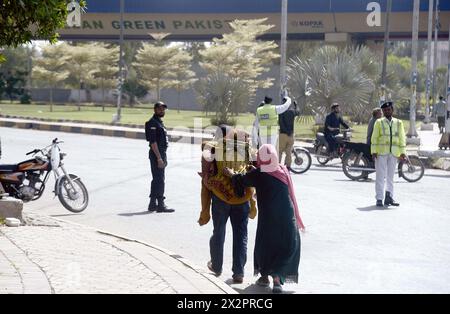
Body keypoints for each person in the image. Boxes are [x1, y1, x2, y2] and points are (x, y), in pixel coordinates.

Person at [224, 144, 305, 294]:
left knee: (266, 244)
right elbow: (265, 176)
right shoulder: (282, 170)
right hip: (288, 216)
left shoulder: (260, 174)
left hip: (269, 218)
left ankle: (265, 276)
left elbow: (242, 180)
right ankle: (277, 281)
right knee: (287, 244)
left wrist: (230, 174)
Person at [198, 126, 257, 284]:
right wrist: (253, 204)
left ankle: (216, 266)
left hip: (221, 197)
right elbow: (253, 173)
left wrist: (204, 210)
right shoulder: (247, 149)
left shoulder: (213, 149)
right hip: (242, 197)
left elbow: (205, 179)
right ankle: (238, 272)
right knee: (241, 236)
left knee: (219, 232)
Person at [371, 101, 406, 207]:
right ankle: (379, 199)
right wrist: (374, 151)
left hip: (394, 153)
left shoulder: (398, 123)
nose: (387, 111)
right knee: (380, 176)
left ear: (392, 110)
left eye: (389, 109)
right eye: (385, 110)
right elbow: (374, 137)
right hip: (381, 153)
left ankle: (389, 197)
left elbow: (402, 138)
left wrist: (403, 152)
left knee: (390, 177)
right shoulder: (379, 122)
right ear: (383, 111)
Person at [144, 101, 175, 213]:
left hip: (161, 153)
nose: (162, 111)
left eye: (163, 109)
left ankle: (152, 204)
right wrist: (159, 158)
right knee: (160, 179)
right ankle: (161, 204)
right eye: (160, 109)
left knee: (156, 179)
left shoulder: (159, 122)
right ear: (155, 110)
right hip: (157, 154)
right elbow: (153, 142)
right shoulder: (152, 123)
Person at [278, 100, 300, 170]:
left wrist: (285, 131)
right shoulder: (292, 112)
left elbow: (280, 123)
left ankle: (278, 166)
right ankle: (287, 167)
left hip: (283, 134)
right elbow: (298, 112)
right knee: (289, 152)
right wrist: (296, 105)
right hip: (291, 135)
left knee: (280, 151)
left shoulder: (281, 112)